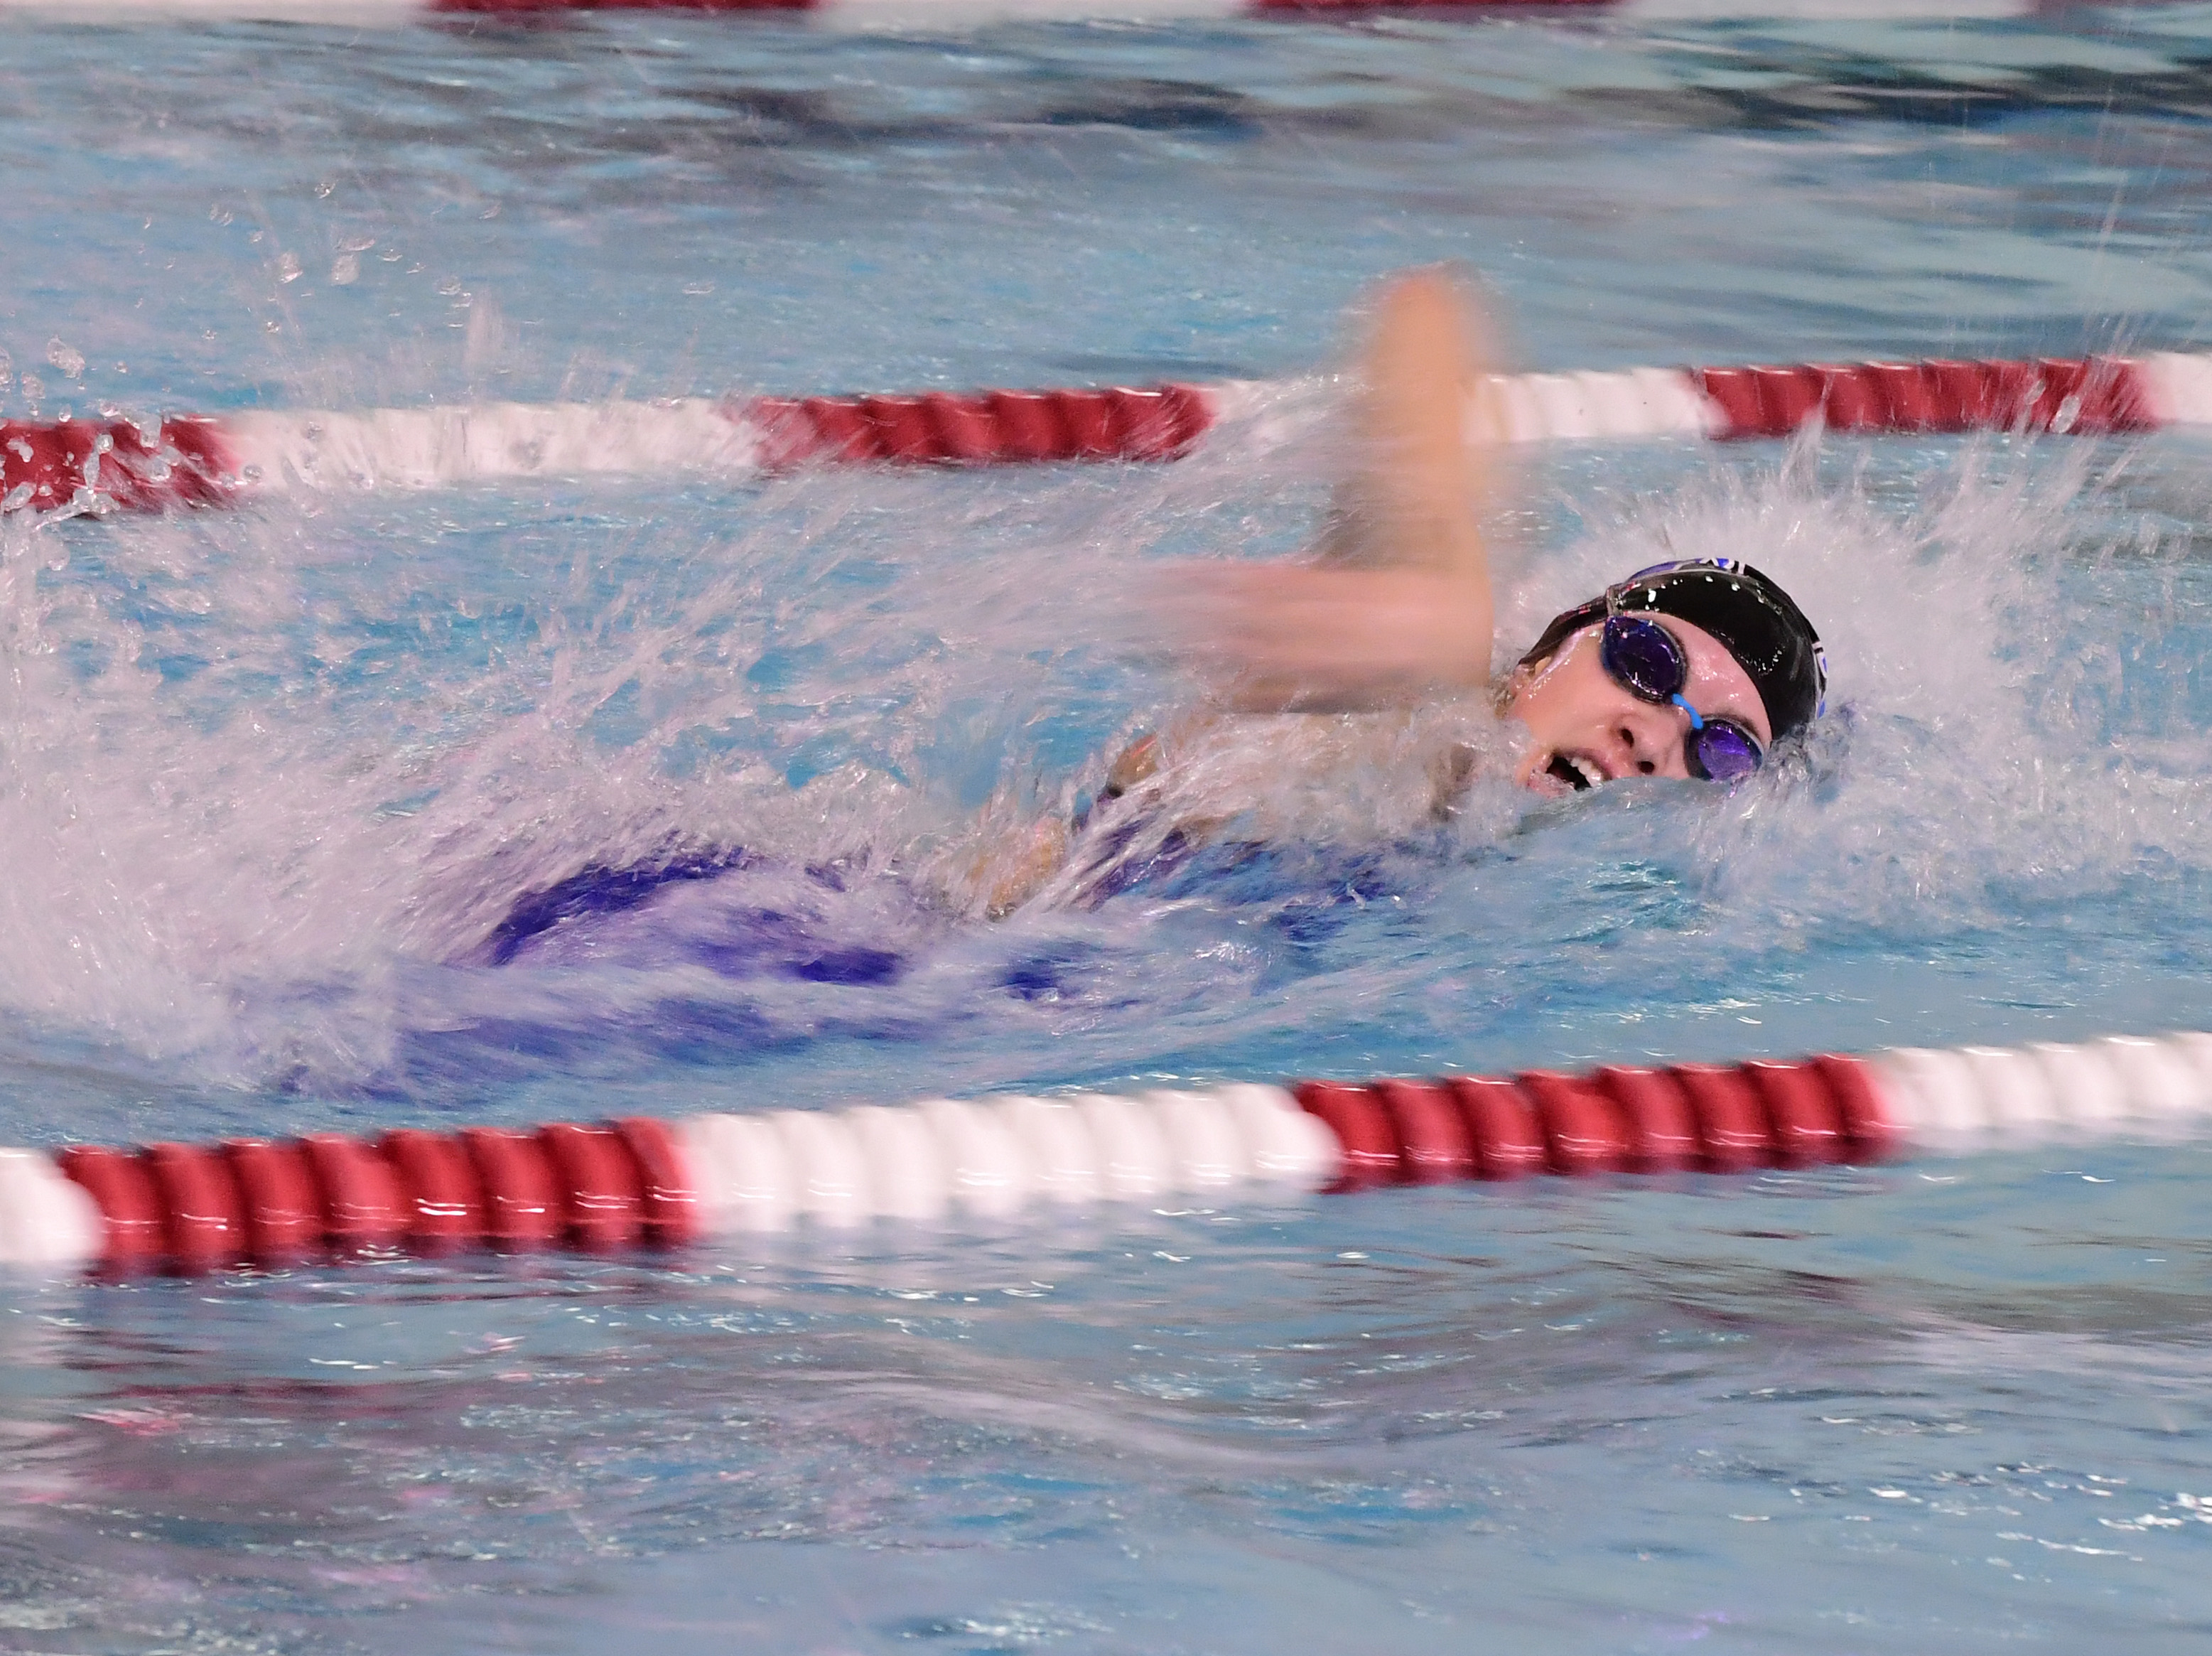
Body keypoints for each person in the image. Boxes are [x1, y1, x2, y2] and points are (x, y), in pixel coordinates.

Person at [970, 267, 1828, 914]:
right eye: (1645, 660)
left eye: (1719, 749)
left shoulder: (1519, 894)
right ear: (1549, 648)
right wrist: (1424, 611)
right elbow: (1426, 313)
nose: (1653, 740)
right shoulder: (1424, 711)